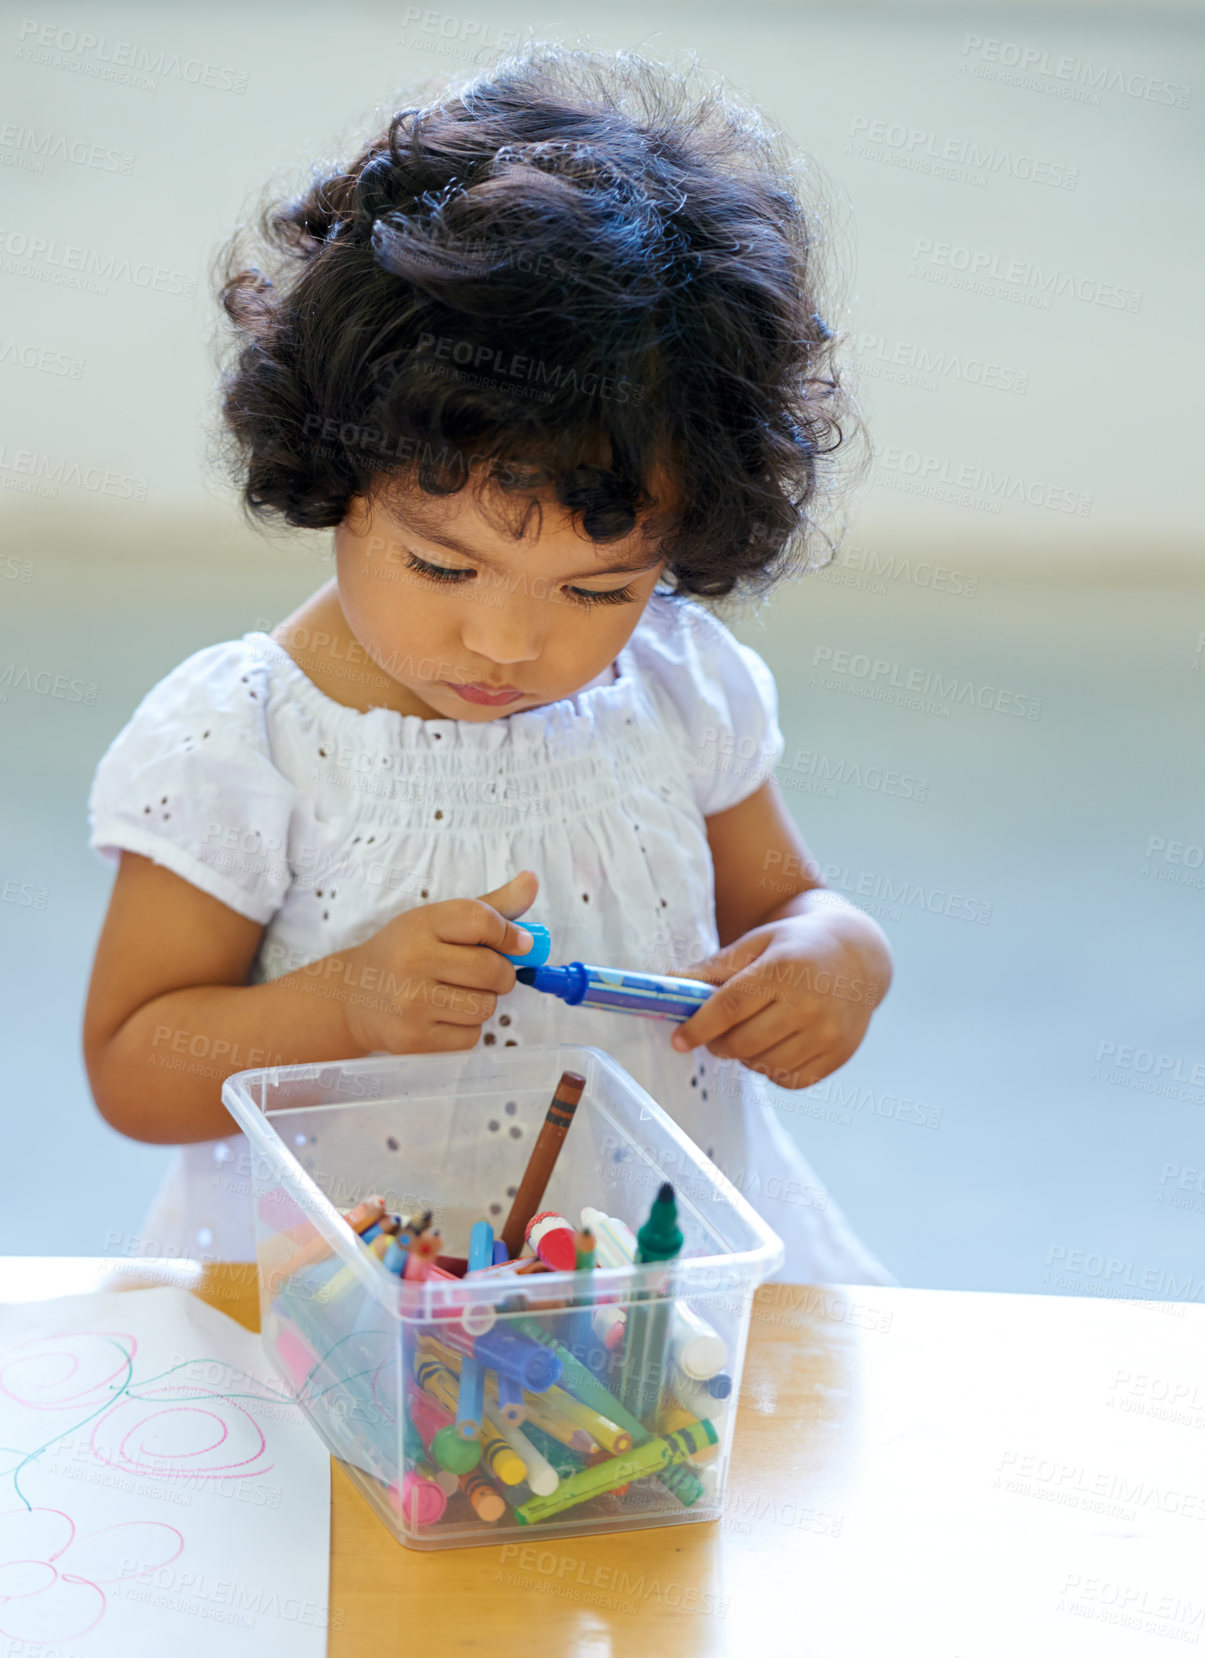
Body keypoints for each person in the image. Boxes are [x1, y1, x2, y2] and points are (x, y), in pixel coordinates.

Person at [83, 45, 893, 1284]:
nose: (511, 644)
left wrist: (838, 951)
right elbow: (137, 1066)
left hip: (645, 1284)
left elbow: (786, 901)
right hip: (340, 1311)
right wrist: (341, 1004)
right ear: (337, 467)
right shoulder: (240, 739)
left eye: (597, 589)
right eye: (444, 567)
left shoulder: (679, 687)